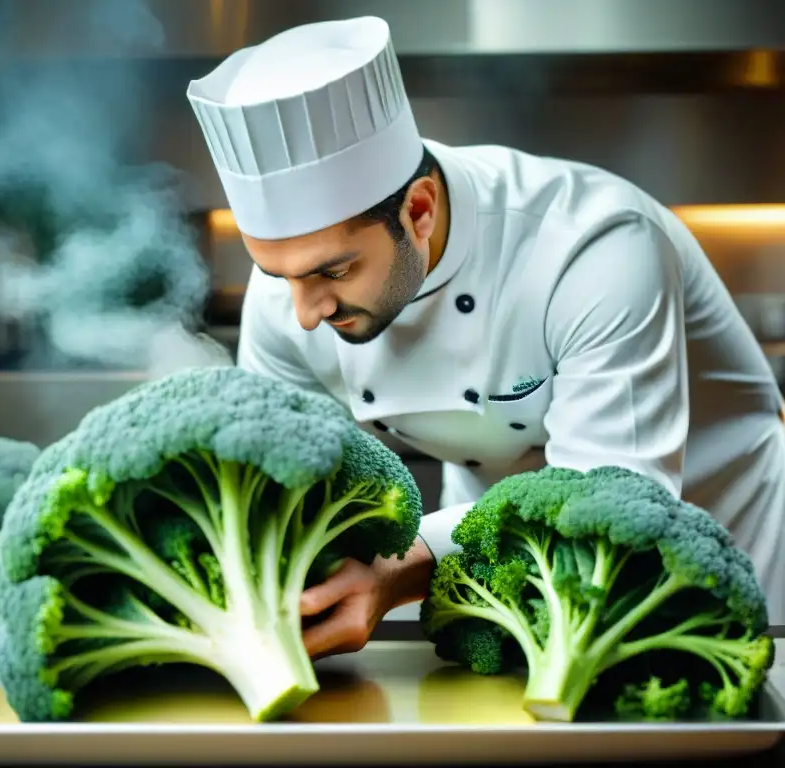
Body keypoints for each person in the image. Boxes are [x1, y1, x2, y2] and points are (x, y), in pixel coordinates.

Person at [186, 16, 785, 658]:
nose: (304, 312)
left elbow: (611, 501)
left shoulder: (596, 247)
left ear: (418, 211)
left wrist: (406, 565)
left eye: (333, 271)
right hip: (496, 568)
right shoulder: (287, 299)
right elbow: (273, 481)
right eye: (279, 275)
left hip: (729, 554)